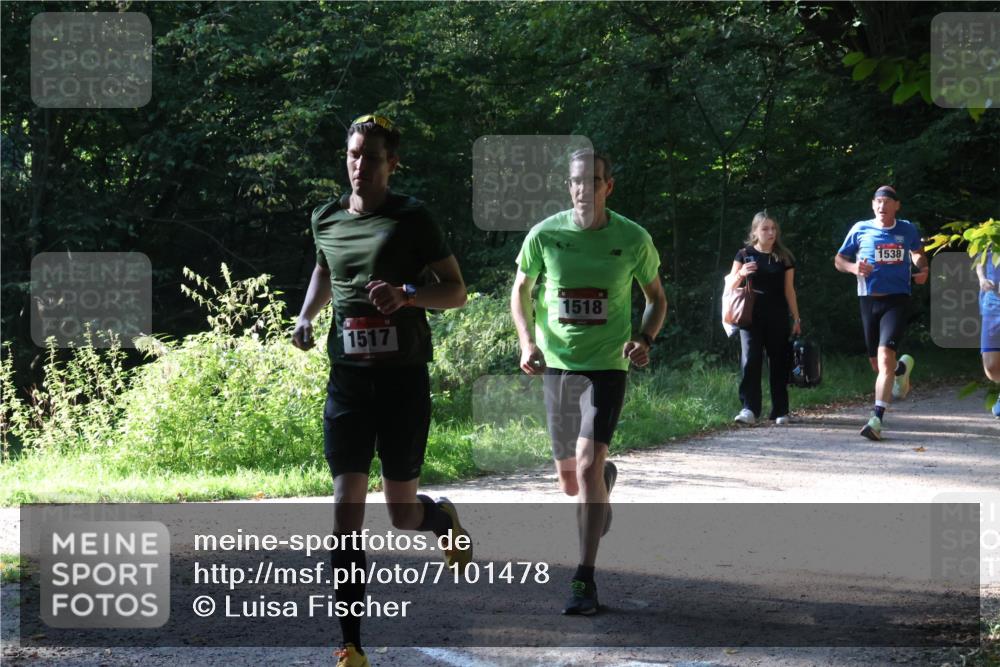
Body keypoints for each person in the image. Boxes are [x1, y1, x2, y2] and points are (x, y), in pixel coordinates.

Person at [292, 114, 471, 667]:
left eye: (371, 158)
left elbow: (456, 291)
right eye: (352, 154)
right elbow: (326, 270)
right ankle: (350, 644)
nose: (358, 166)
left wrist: (408, 293)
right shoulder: (325, 217)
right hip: (348, 380)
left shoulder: (412, 218)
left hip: (402, 383)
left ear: (392, 164)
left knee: (400, 515)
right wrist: (305, 316)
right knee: (346, 507)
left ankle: (440, 518)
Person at [511, 149, 667, 615]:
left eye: (592, 181)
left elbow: (656, 298)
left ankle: (584, 579)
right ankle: (602, 482)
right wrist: (526, 342)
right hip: (556, 363)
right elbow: (521, 290)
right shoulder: (545, 235)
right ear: (569, 186)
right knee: (569, 482)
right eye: (576, 181)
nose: (583, 189)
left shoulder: (633, 239)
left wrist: (645, 336)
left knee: (584, 464)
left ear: (608, 186)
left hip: (607, 364)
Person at [835, 185, 928, 441]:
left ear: (896, 206)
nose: (882, 206)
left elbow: (918, 255)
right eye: (878, 202)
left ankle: (876, 419)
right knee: (877, 364)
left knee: (884, 358)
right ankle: (902, 369)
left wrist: (922, 269)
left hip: (897, 300)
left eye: (887, 202)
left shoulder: (906, 229)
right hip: (868, 300)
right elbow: (839, 260)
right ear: (872, 204)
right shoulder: (860, 229)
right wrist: (854, 268)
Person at [726, 212, 802, 426]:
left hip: (777, 315)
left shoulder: (784, 257)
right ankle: (749, 408)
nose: (770, 233)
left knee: (779, 361)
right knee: (750, 360)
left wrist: (796, 317)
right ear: (755, 232)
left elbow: (789, 290)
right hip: (749, 316)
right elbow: (730, 285)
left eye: (773, 229)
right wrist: (741, 274)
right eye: (765, 229)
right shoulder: (744, 254)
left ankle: (780, 410)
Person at [975, 249, 1000, 417]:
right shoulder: (991, 234)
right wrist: (982, 279)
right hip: (992, 303)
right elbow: (979, 260)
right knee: (990, 367)